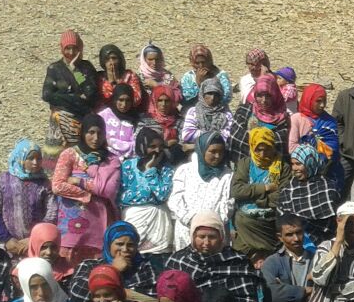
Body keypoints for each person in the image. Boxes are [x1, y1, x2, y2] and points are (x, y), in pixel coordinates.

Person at [52, 112, 120, 264]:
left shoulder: (111, 159)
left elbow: (109, 190)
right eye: (91, 132)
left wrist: (79, 181)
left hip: (99, 222)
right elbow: (57, 186)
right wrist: (88, 195)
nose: (96, 138)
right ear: (83, 133)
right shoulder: (69, 154)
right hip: (71, 225)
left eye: (100, 133)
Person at [166, 212, 261, 302]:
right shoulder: (179, 261)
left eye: (212, 237)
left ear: (221, 237)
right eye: (201, 237)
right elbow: (169, 298)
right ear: (193, 237)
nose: (206, 242)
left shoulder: (238, 261)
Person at [0, 140, 55, 258]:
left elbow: (52, 214)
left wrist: (34, 238)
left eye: (38, 158)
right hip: (10, 246)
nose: (35, 162)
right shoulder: (4, 180)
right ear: (20, 158)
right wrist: (6, 239)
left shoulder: (45, 183)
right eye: (30, 158)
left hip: (37, 246)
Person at [168, 132, 233, 251]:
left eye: (221, 152)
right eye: (213, 152)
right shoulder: (185, 171)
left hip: (214, 233)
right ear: (202, 150)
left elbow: (229, 203)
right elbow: (175, 199)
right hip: (186, 229)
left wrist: (212, 223)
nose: (218, 156)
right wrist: (192, 221)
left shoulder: (228, 175)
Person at [230, 127, 290, 254]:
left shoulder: (282, 167)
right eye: (258, 150)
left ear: (273, 147)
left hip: (269, 226)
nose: (263, 154)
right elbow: (236, 191)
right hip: (244, 226)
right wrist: (265, 188)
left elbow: (283, 196)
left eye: (267, 149)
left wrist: (258, 199)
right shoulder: (245, 164)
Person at [118, 126, 175, 259]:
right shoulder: (127, 166)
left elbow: (162, 194)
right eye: (152, 146)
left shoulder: (166, 169)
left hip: (158, 222)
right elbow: (121, 195)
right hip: (134, 218)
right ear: (142, 147)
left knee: (158, 260)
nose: (157, 150)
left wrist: (150, 171)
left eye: (161, 146)